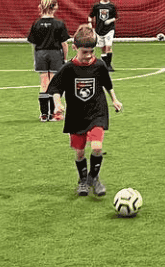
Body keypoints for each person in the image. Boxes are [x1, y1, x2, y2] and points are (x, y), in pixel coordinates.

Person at [47, 24, 122, 197]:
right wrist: (57, 104)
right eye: (84, 52)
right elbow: (55, 89)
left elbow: (107, 84)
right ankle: (82, 181)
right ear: (74, 48)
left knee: (97, 147)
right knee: (80, 151)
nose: (88, 56)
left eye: (91, 51)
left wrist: (115, 100)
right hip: (76, 115)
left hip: (97, 112)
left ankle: (94, 179)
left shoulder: (100, 65)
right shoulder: (68, 69)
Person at [27, 0, 69, 122]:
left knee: (44, 83)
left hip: (41, 54)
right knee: (54, 84)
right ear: (54, 7)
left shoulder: (37, 24)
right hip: (55, 54)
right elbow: (64, 44)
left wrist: (37, 56)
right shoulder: (59, 24)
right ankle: (54, 114)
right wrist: (64, 58)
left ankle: (44, 114)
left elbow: (33, 43)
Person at [88, 0, 118, 72]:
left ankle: (109, 65)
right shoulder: (96, 6)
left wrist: (110, 20)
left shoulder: (112, 6)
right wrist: (89, 23)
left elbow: (116, 17)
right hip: (99, 29)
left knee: (108, 46)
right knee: (103, 48)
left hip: (109, 29)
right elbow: (90, 16)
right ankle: (104, 65)